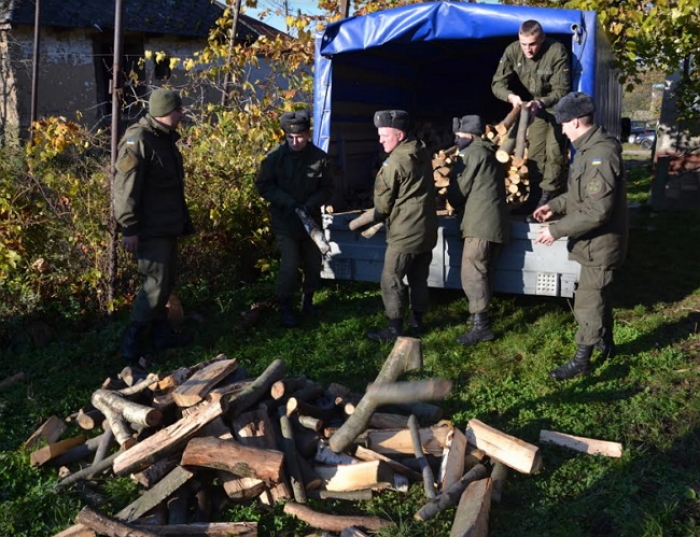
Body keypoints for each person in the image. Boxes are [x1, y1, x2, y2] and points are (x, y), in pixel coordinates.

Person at [533, 91, 628, 381]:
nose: (561, 128)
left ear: (574, 122)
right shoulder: (588, 150)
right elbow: (580, 196)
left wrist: (555, 230)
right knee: (599, 294)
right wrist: (555, 205)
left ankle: (582, 360)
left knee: (588, 299)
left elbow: (597, 211)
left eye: (562, 123)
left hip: (599, 243)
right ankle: (605, 342)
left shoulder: (600, 154)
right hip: (594, 243)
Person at [113, 88, 195, 363]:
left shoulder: (162, 138)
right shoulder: (140, 140)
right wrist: (130, 228)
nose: (182, 115)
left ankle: (161, 335)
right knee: (155, 284)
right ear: (166, 113)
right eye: (178, 111)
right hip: (149, 228)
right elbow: (126, 189)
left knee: (166, 280)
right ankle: (133, 341)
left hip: (166, 224)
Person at [255, 110, 334, 328]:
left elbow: (328, 188)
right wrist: (287, 201)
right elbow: (263, 185)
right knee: (290, 265)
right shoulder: (274, 158)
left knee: (312, 263)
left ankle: (307, 302)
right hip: (285, 220)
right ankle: (286, 307)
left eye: (299, 137)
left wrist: (310, 204)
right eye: (290, 137)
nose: (294, 141)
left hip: (310, 221)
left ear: (308, 134)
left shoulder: (320, 158)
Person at [367, 110, 438, 342]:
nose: (380, 140)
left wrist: (378, 212)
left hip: (405, 231)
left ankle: (394, 328)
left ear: (399, 134)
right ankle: (418, 321)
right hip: (426, 228)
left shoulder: (395, 162)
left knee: (391, 278)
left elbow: (383, 201)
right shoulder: (422, 151)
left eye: (384, 135)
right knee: (419, 277)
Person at [491, 19, 571, 220]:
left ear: (541, 39)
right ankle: (534, 196)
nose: (528, 49)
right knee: (535, 152)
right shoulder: (513, 51)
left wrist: (541, 103)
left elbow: (562, 90)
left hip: (557, 109)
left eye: (532, 44)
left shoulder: (556, 51)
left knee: (553, 152)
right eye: (523, 44)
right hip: (535, 107)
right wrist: (511, 97)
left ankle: (547, 198)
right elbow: (497, 83)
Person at [446, 115, 509, 346]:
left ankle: (481, 327)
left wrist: (450, 199)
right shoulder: (489, 151)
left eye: (459, 136)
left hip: (479, 224)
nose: (456, 139)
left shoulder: (471, 153)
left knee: (472, 273)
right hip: (495, 222)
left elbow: (458, 190)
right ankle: (478, 320)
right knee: (484, 272)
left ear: (470, 135)